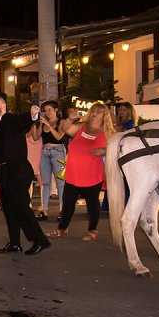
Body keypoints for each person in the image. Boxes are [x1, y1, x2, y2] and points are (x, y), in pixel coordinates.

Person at [0, 92, 50, 255]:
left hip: (18, 170)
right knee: (9, 208)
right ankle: (15, 243)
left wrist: (33, 114)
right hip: (5, 171)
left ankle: (40, 240)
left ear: (3, 106)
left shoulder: (10, 120)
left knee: (21, 207)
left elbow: (25, 120)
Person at [46, 103, 115, 241]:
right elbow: (66, 129)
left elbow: (118, 147)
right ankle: (62, 229)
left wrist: (105, 150)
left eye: (99, 112)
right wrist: (70, 119)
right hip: (73, 172)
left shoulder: (108, 132)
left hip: (92, 173)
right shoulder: (82, 126)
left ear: (105, 115)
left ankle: (92, 230)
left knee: (92, 202)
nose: (95, 114)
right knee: (68, 201)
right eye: (93, 111)